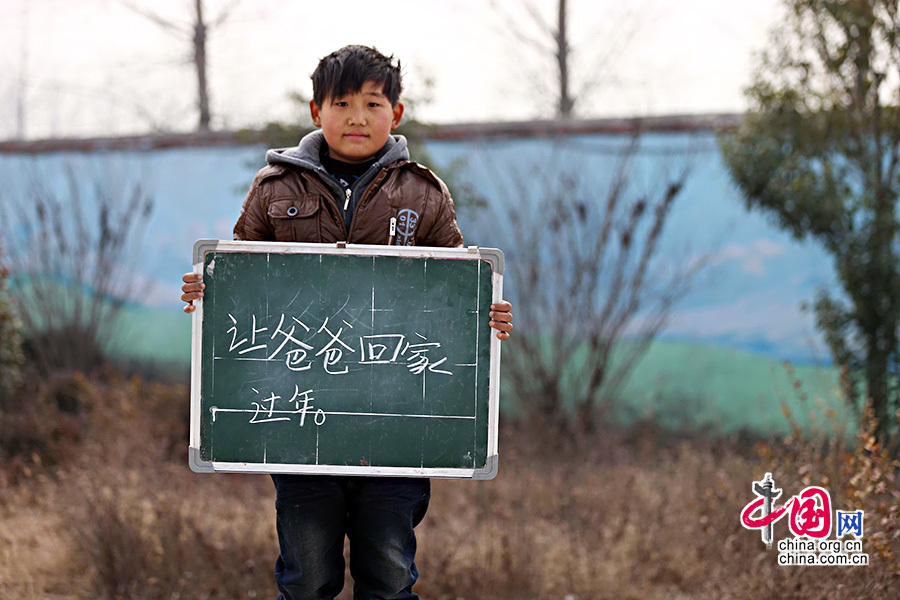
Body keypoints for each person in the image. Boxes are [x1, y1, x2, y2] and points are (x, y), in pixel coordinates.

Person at [180, 45, 513, 600]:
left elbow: (459, 296)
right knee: (307, 575)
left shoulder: (424, 195)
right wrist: (207, 289)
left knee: (386, 573)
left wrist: (488, 311)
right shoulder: (274, 190)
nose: (357, 117)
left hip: (399, 431)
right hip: (297, 424)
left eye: (372, 103)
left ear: (396, 115)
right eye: (342, 103)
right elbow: (239, 284)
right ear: (316, 112)